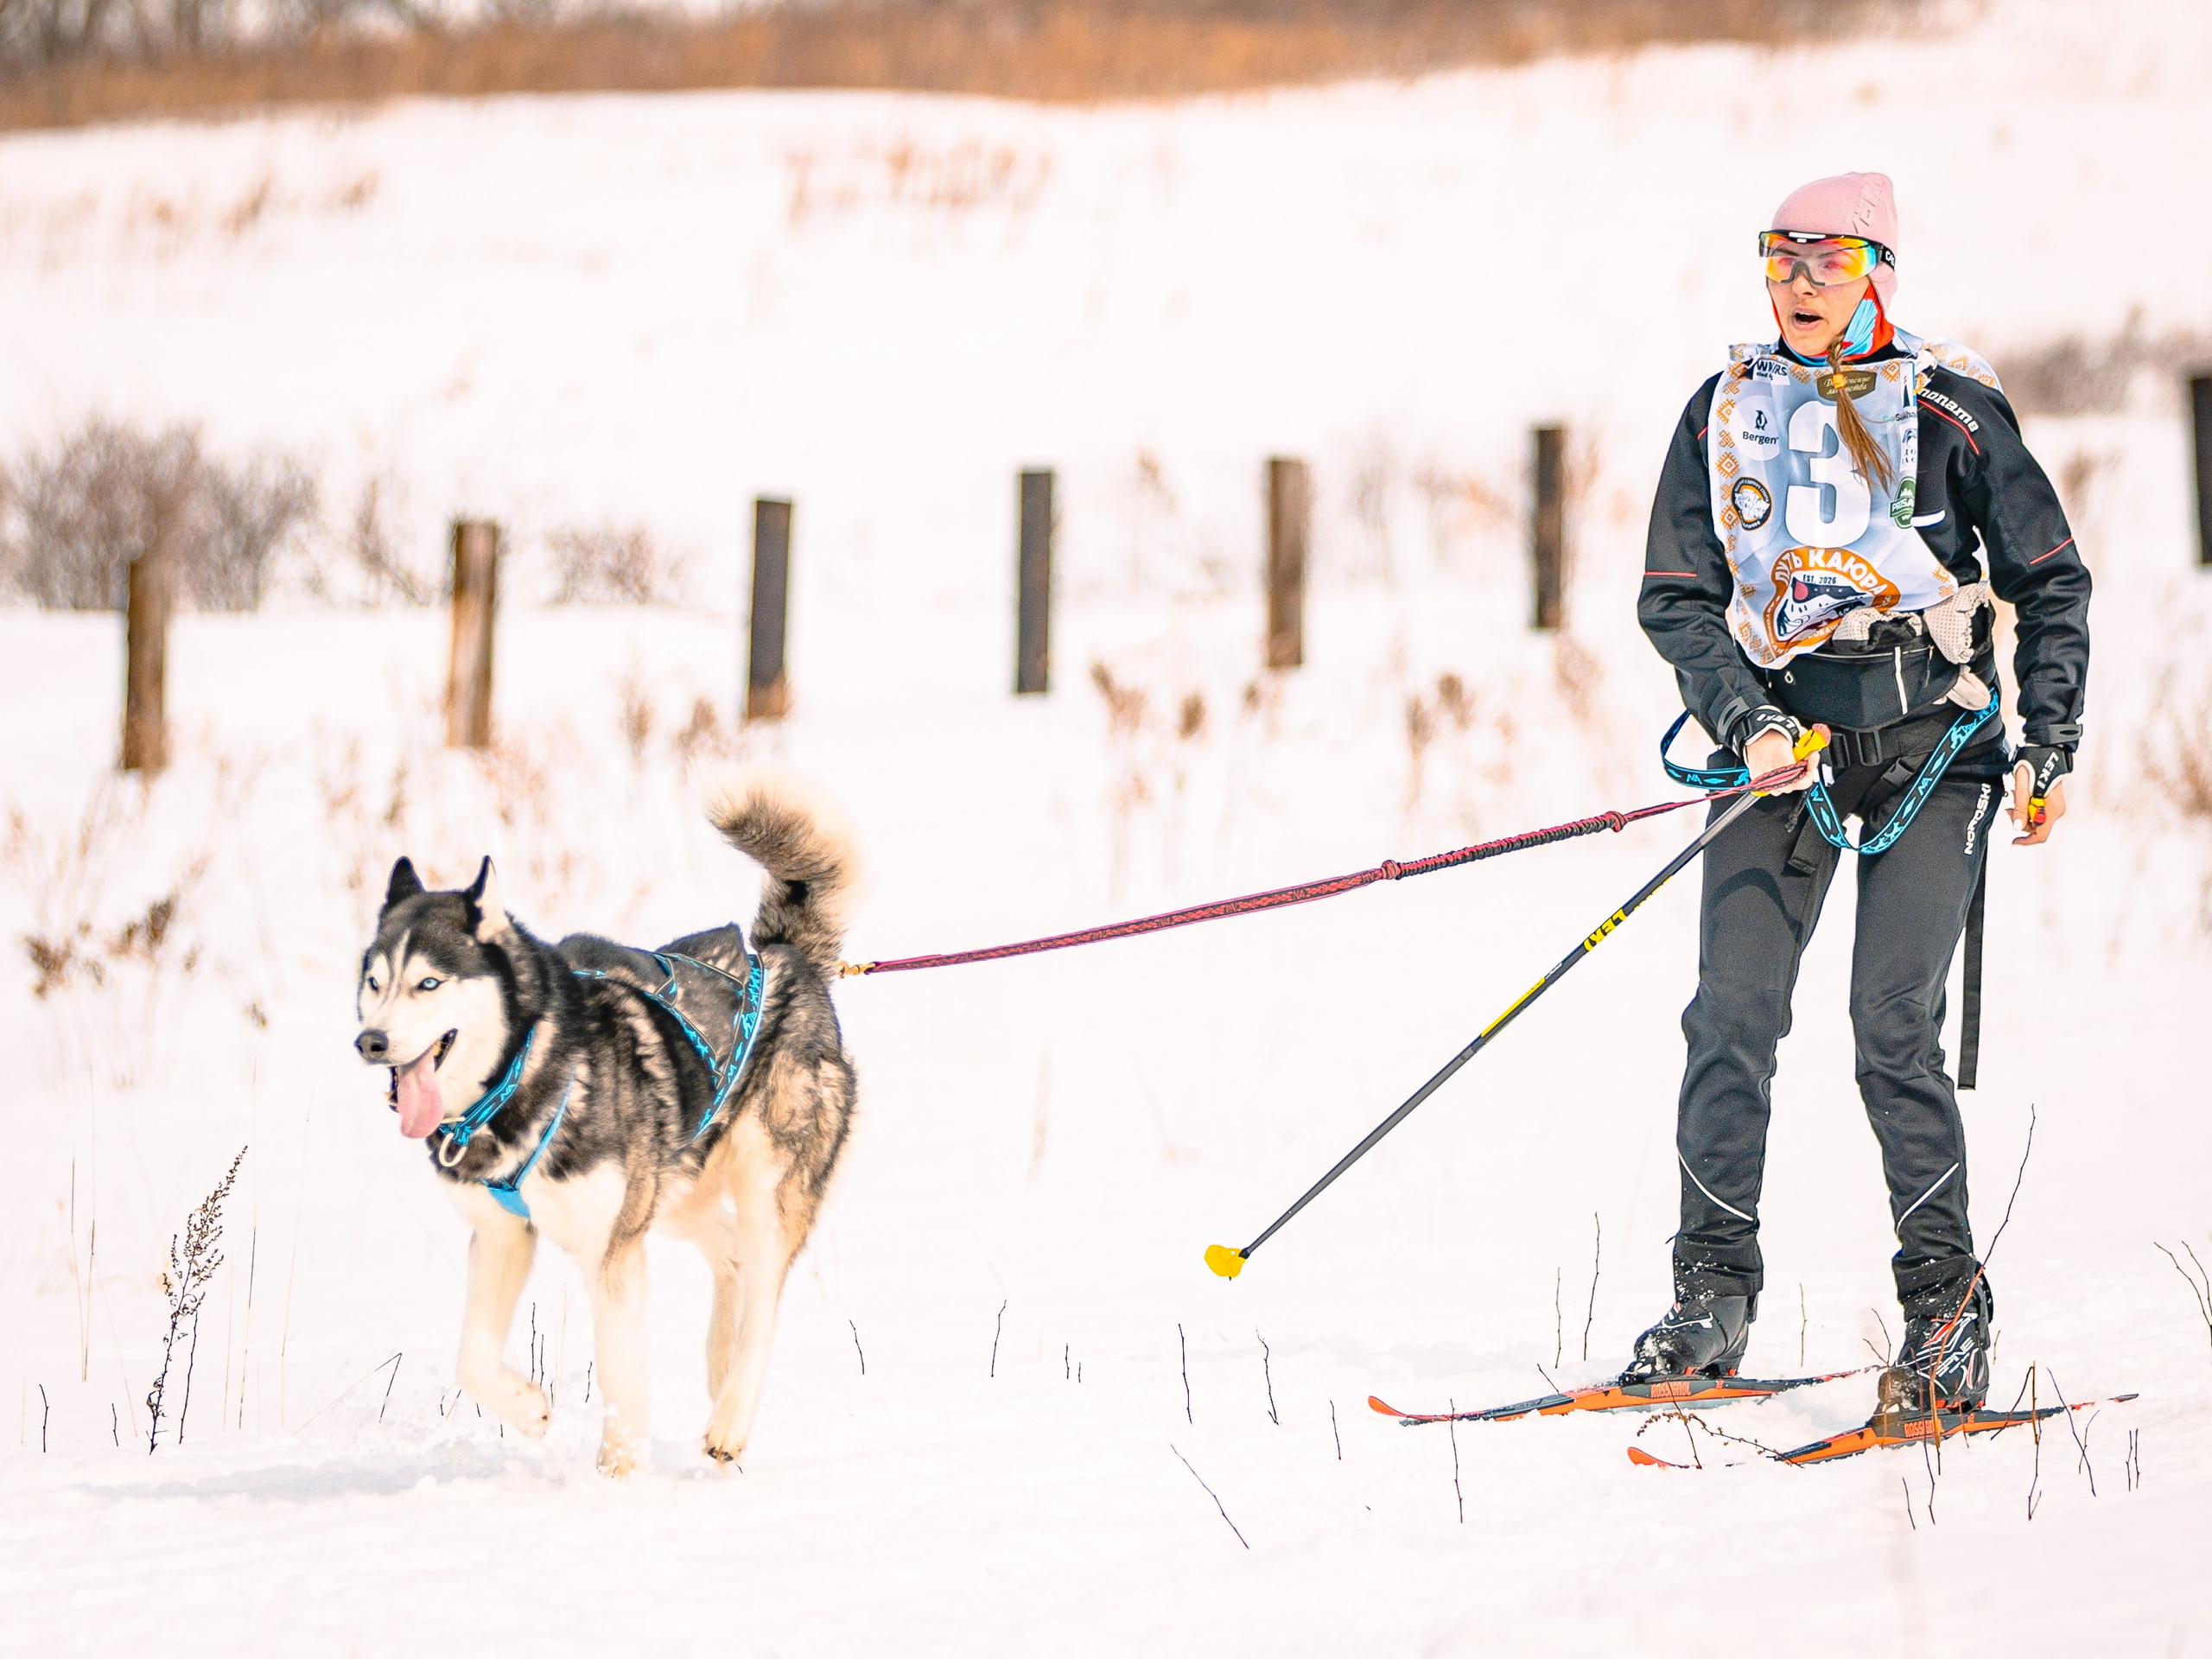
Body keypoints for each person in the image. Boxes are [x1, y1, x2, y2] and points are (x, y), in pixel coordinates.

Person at [1629, 173, 2090, 1408]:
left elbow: (2050, 578)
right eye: (1779, 256)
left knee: (1891, 1025)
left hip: (1932, 751)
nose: (1796, 280)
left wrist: (2052, 738)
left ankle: (1947, 1312)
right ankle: (1707, 1300)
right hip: (1783, 752)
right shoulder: (1725, 409)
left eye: (1825, 259)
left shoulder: (1954, 408)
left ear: (1878, 272)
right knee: (1729, 1014)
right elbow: (1673, 593)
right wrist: (1750, 717)